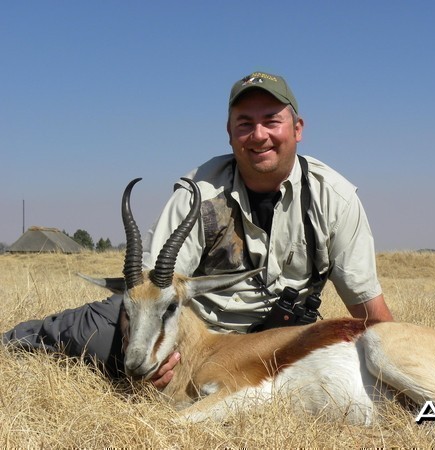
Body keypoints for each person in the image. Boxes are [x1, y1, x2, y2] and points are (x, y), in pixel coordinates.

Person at [3, 71, 393, 388]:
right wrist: (144, 351)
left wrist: (394, 359)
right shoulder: (200, 192)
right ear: (229, 132)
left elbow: (368, 308)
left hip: (274, 340)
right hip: (192, 333)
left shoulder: (334, 199)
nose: (259, 135)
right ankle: (12, 342)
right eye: (245, 123)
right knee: (92, 333)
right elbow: (149, 290)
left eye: (272, 120)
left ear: (298, 128)